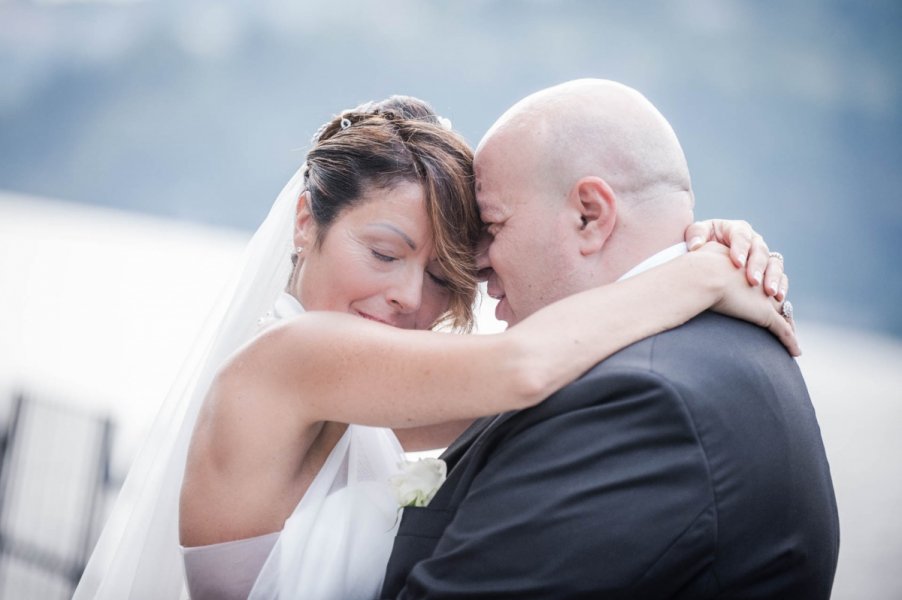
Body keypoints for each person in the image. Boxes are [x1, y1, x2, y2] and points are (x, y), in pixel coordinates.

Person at [73, 95, 794, 600]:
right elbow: (525, 366)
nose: (411, 299)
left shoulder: (369, 392)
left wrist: (690, 234)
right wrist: (700, 273)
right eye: (386, 253)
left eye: (446, 274)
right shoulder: (290, 357)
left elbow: (558, 396)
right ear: (304, 223)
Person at [381, 80, 839, 599]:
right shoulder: (691, 349)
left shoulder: (641, 401)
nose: (478, 262)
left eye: (492, 224)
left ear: (590, 216)